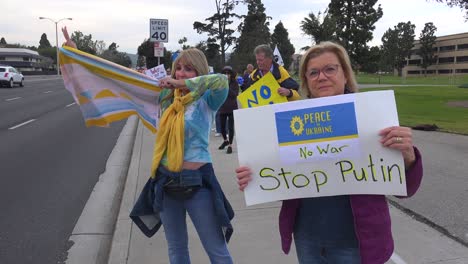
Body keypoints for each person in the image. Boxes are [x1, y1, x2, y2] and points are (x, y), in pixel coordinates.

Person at [235, 41, 423, 264]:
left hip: (357, 244)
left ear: (345, 74)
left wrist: (408, 156)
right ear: (306, 81)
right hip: (308, 241)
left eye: (330, 69)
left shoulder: (373, 116)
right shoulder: (288, 121)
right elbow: (274, 173)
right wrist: (253, 176)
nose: (321, 77)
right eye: (313, 72)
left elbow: (405, 190)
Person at [61, 27, 234, 264]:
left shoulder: (207, 99)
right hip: (164, 182)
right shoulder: (165, 97)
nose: (181, 73)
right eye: (179, 68)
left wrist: (181, 83)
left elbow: (221, 79)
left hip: (199, 185)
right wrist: (79, 57)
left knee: (217, 251)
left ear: (198, 71)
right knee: (177, 250)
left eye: (188, 68)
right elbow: (123, 81)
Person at [218, 66, 239, 154]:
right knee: (222, 128)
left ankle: (230, 145)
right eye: (225, 73)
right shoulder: (220, 83)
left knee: (230, 127)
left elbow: (234, 94)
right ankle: (225, 141)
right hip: (222, 107)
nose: (227, 75)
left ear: (231, 74)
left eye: (228, 73)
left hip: (232, 107)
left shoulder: (234, 83)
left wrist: (226, 86)